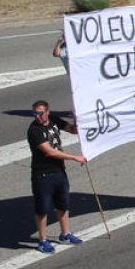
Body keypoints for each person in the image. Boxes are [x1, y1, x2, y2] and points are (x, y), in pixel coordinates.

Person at [26, 99, 86, 253]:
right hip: (42, 174)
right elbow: (49, 151)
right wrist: (74, 157)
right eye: (35, 113)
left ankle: (65, 234)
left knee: (63, 205)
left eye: (40, 113)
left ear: (47, 112)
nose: (37, 116)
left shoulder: (54, 121)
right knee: (42, 209)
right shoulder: (34, 130)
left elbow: (72, 130)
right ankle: (43, 240)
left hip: (59, 171)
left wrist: (78, 119)